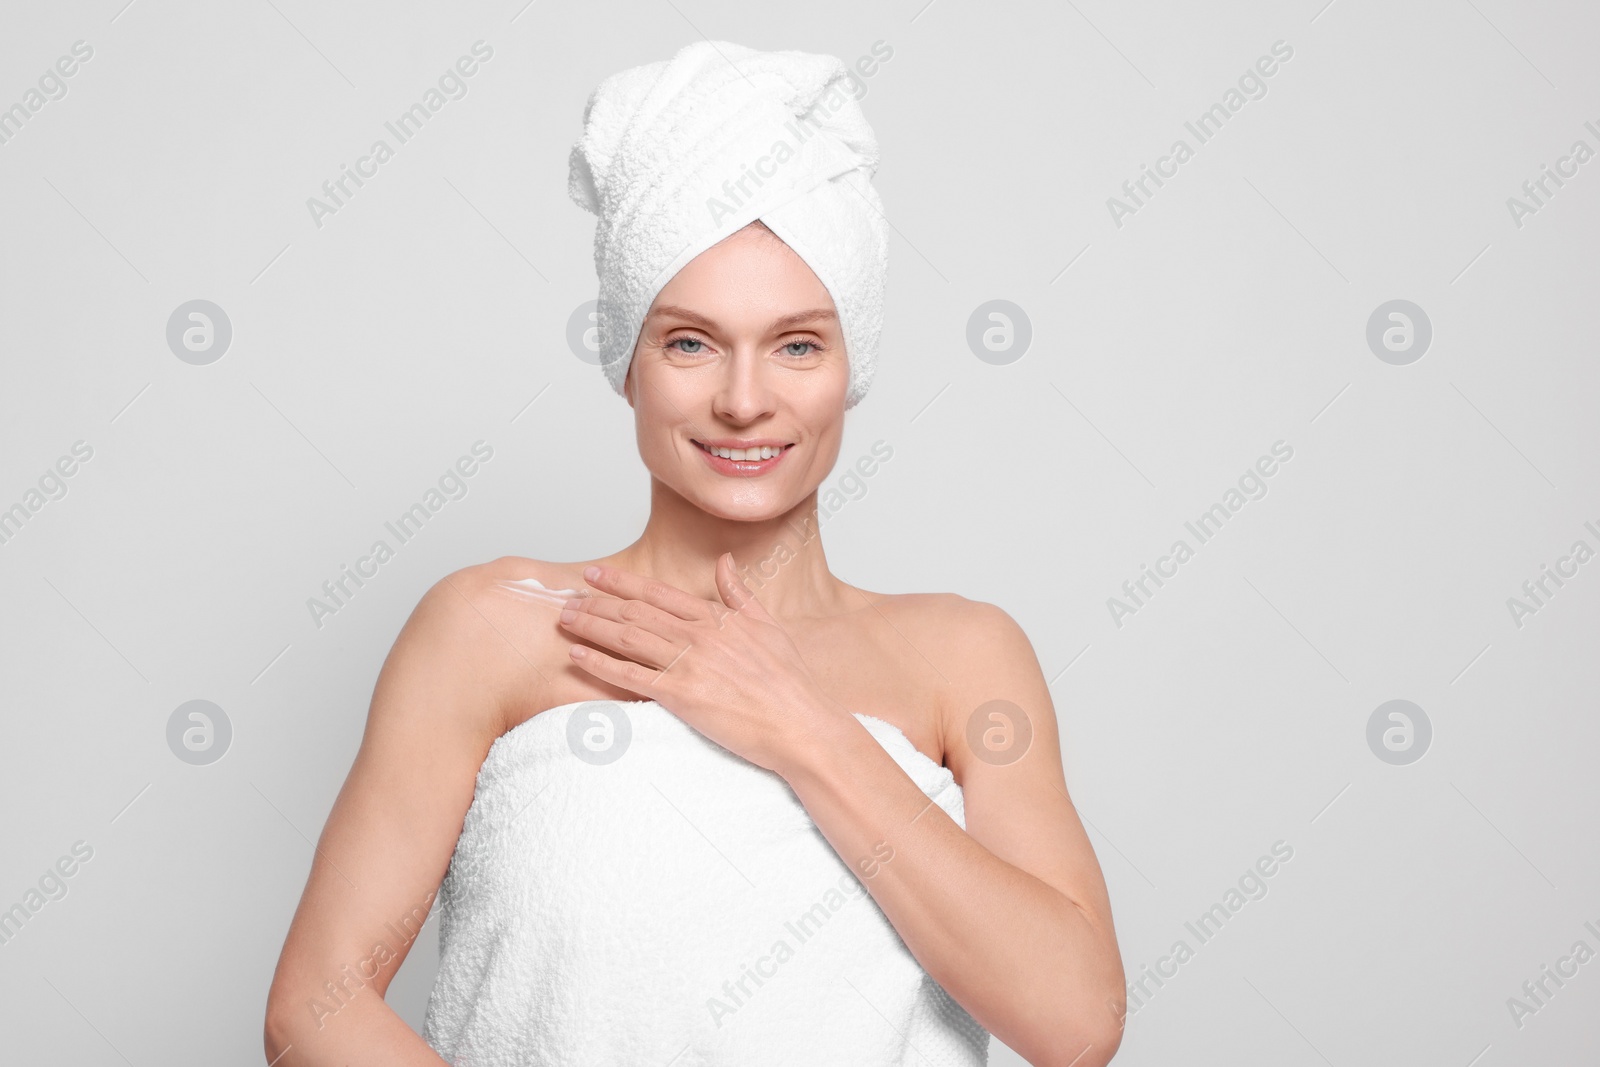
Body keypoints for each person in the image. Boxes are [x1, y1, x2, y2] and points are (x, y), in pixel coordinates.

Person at [265, 40, 1124, 1067]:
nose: (744, 398)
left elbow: (1073, 1023)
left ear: (852, 366)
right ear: (626, 361)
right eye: (689, 341)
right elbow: (314, 1007)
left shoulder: (964, 656)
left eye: (798, 343)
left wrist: (801, 726)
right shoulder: (489, 629)